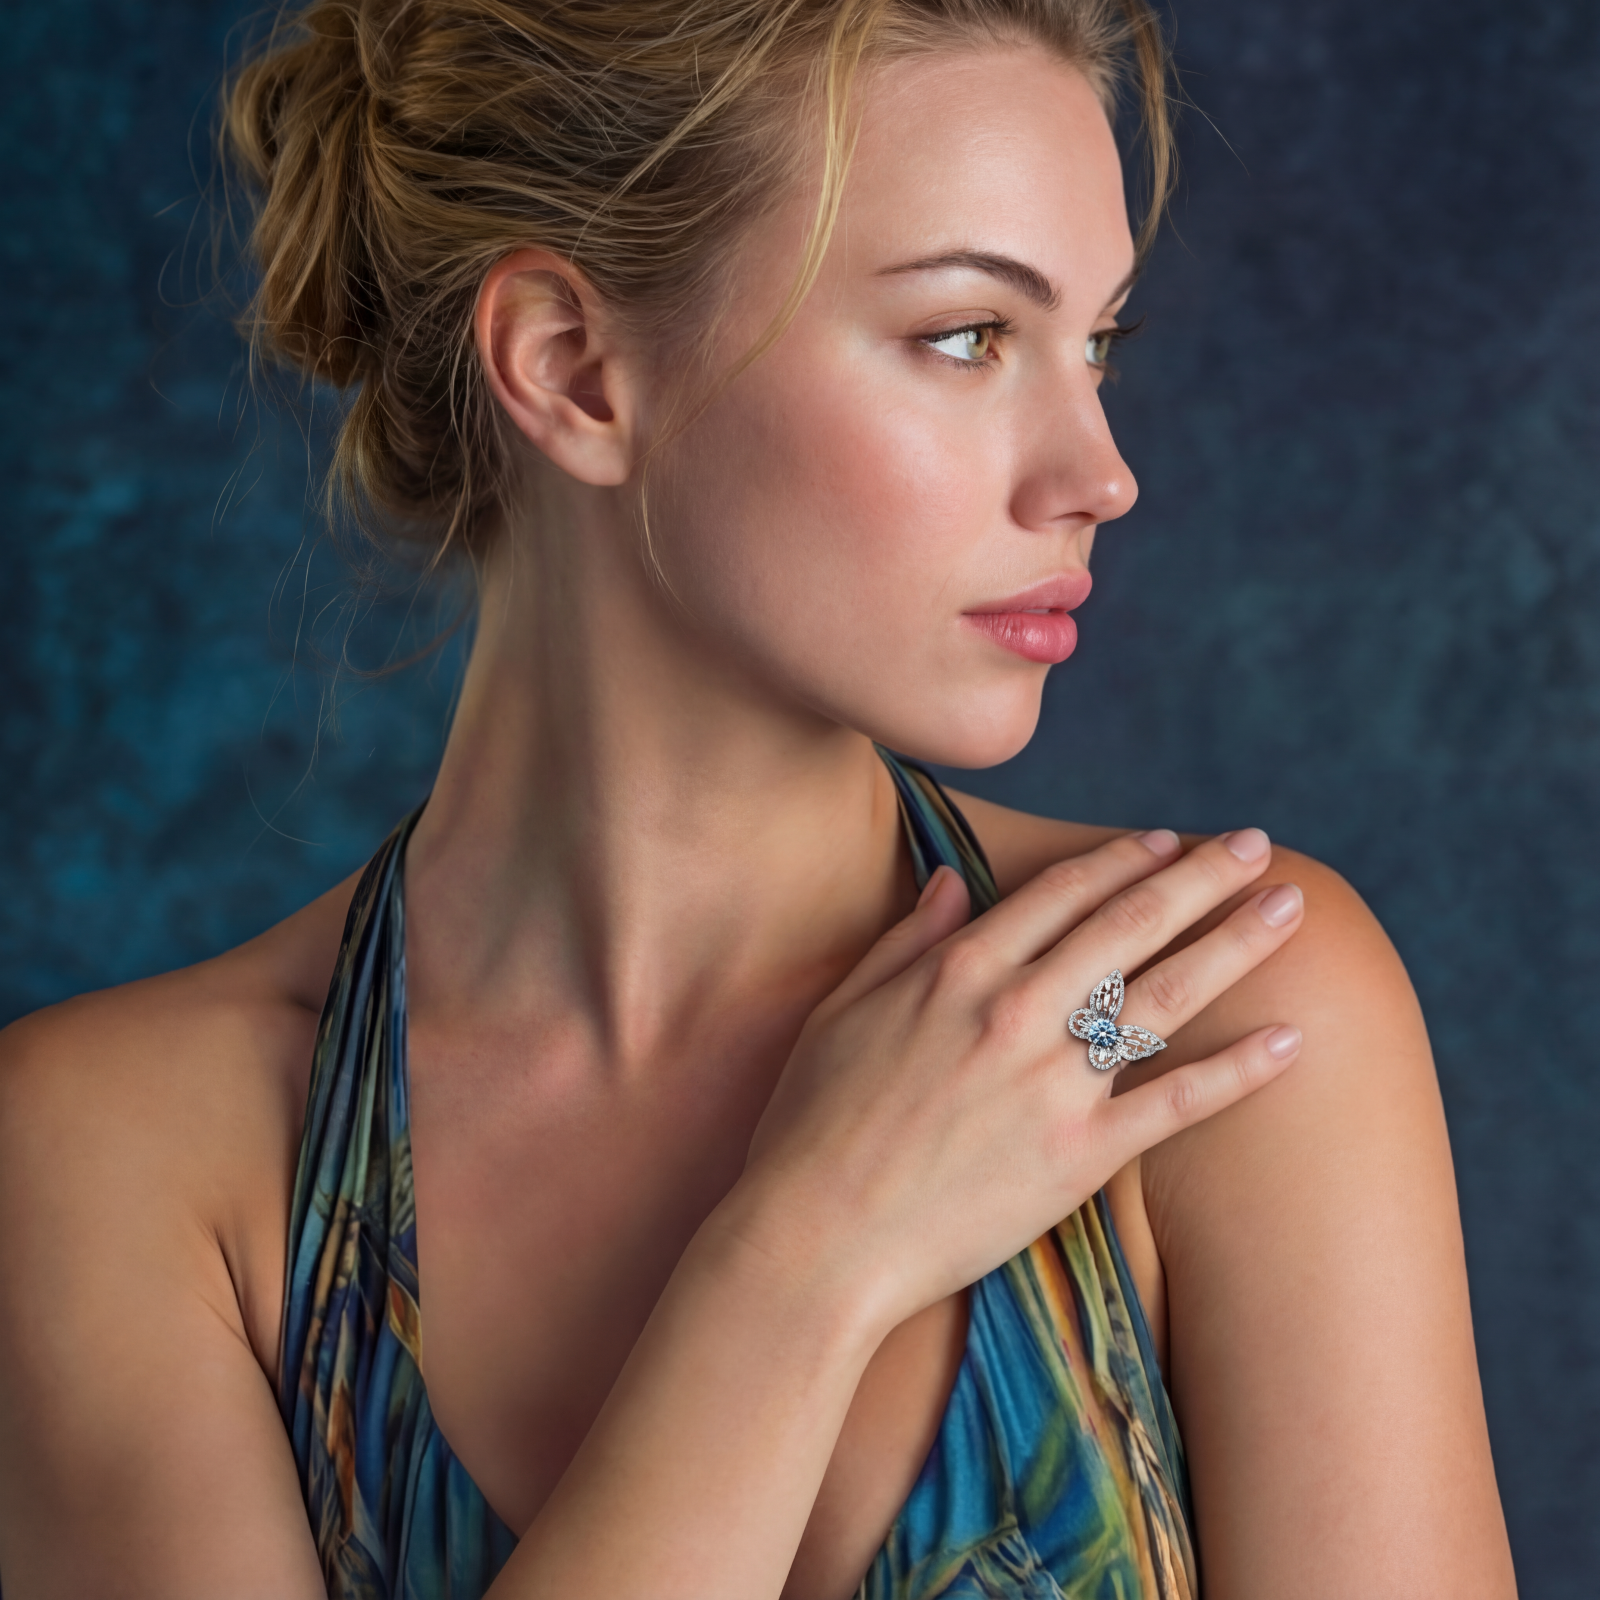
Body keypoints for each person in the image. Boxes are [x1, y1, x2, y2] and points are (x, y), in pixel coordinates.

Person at [0, 2, 1516, 1596]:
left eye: (1098, 345)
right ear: (574, 369)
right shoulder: (130, 1162)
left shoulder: (1198, 1021)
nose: (1100, 468)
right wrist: (807, 1258)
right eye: (966, 336)